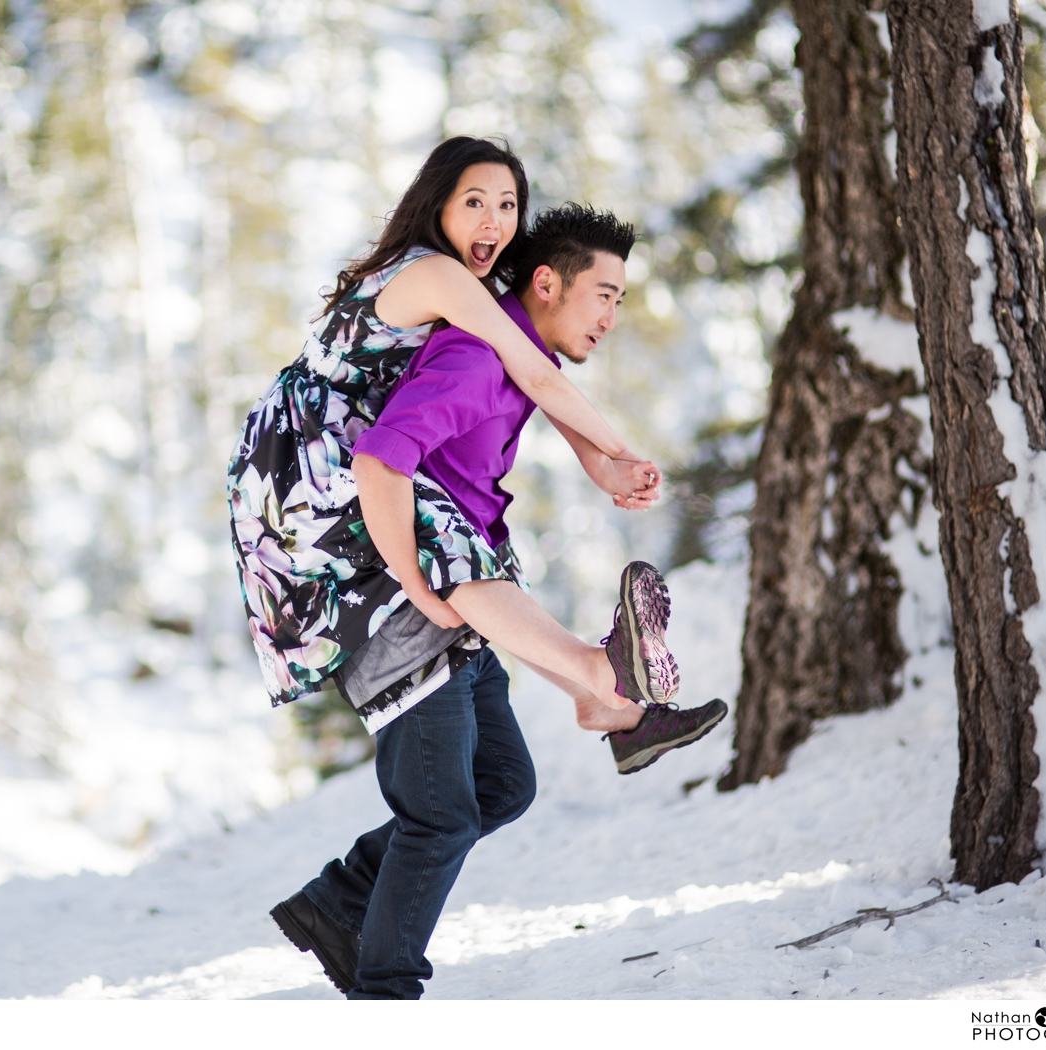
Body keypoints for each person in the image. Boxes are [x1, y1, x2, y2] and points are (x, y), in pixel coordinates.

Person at [267, 204, 730, 999]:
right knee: (439, 816)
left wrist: (606, 463)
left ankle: (339, 903)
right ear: (546, 283)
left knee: (504, 786)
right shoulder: (478, 359)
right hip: (406, 617)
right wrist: (413, 582)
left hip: (466, 606)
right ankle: (387, 991)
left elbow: (548, 395)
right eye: (605, 295)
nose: (613, 317)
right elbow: (383, 456)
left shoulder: (510, 358)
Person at [228, 137, 668, 745]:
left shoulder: (465, 288)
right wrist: (621, 451)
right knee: (441, 532)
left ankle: (600, 700)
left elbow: (528, 369)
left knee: (480, 545)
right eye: (476, 203)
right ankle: (596, 672)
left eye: (509, 205)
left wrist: (598, 461)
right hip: (303, 454)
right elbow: (534, 371)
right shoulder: (438, 274)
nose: (495, 221)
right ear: (439, 207)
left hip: (331, 437)